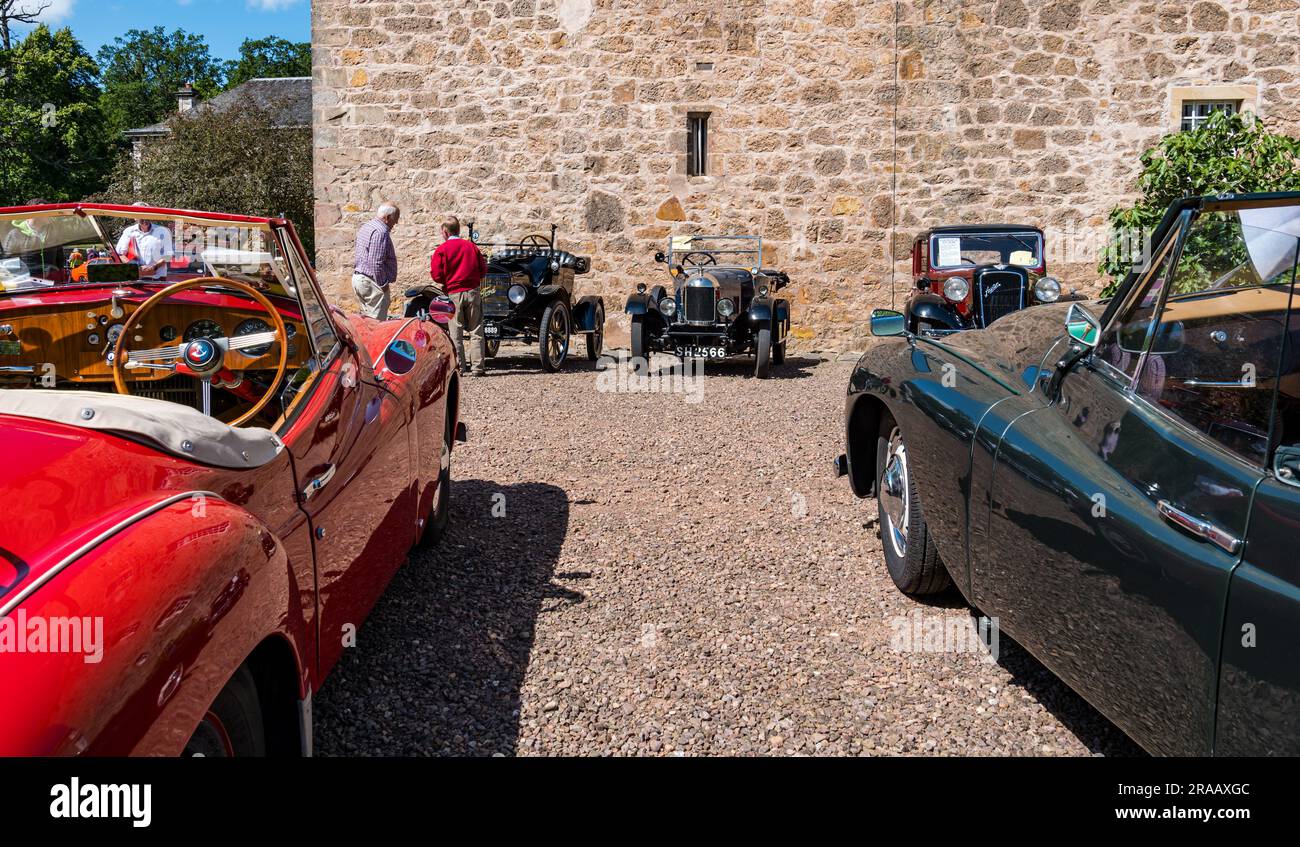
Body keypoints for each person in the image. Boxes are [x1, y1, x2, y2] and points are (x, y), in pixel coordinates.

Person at [430, 216, 487, 376]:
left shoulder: (442, 250)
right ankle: (478, 367)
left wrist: (446, 281)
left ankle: (459, 367)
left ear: (445, 232)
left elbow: (436, 274)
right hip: (473, 291)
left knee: (456, 331)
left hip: (454, 292)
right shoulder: (471, 247)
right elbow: (483, 269)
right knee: (476, 330)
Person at [352, 202, 400, 320]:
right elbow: (375, 262)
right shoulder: (380, 231)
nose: (396, 223)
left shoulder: (367, 226)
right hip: (371, 282)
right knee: (376, 325)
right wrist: (383, 285)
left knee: (368, 322)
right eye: (395, 219)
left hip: (360, 279)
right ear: (387, 217)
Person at [115, 204, 175, 280]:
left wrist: (154, 268)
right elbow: (120, 254)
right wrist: (136, 269)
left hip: (157, 279)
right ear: (135, 218)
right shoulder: (129, 231)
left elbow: (169, 254)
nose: (145, 219)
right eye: (141, 216)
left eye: (147, 215)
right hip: (135, 278)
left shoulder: (163, 231)